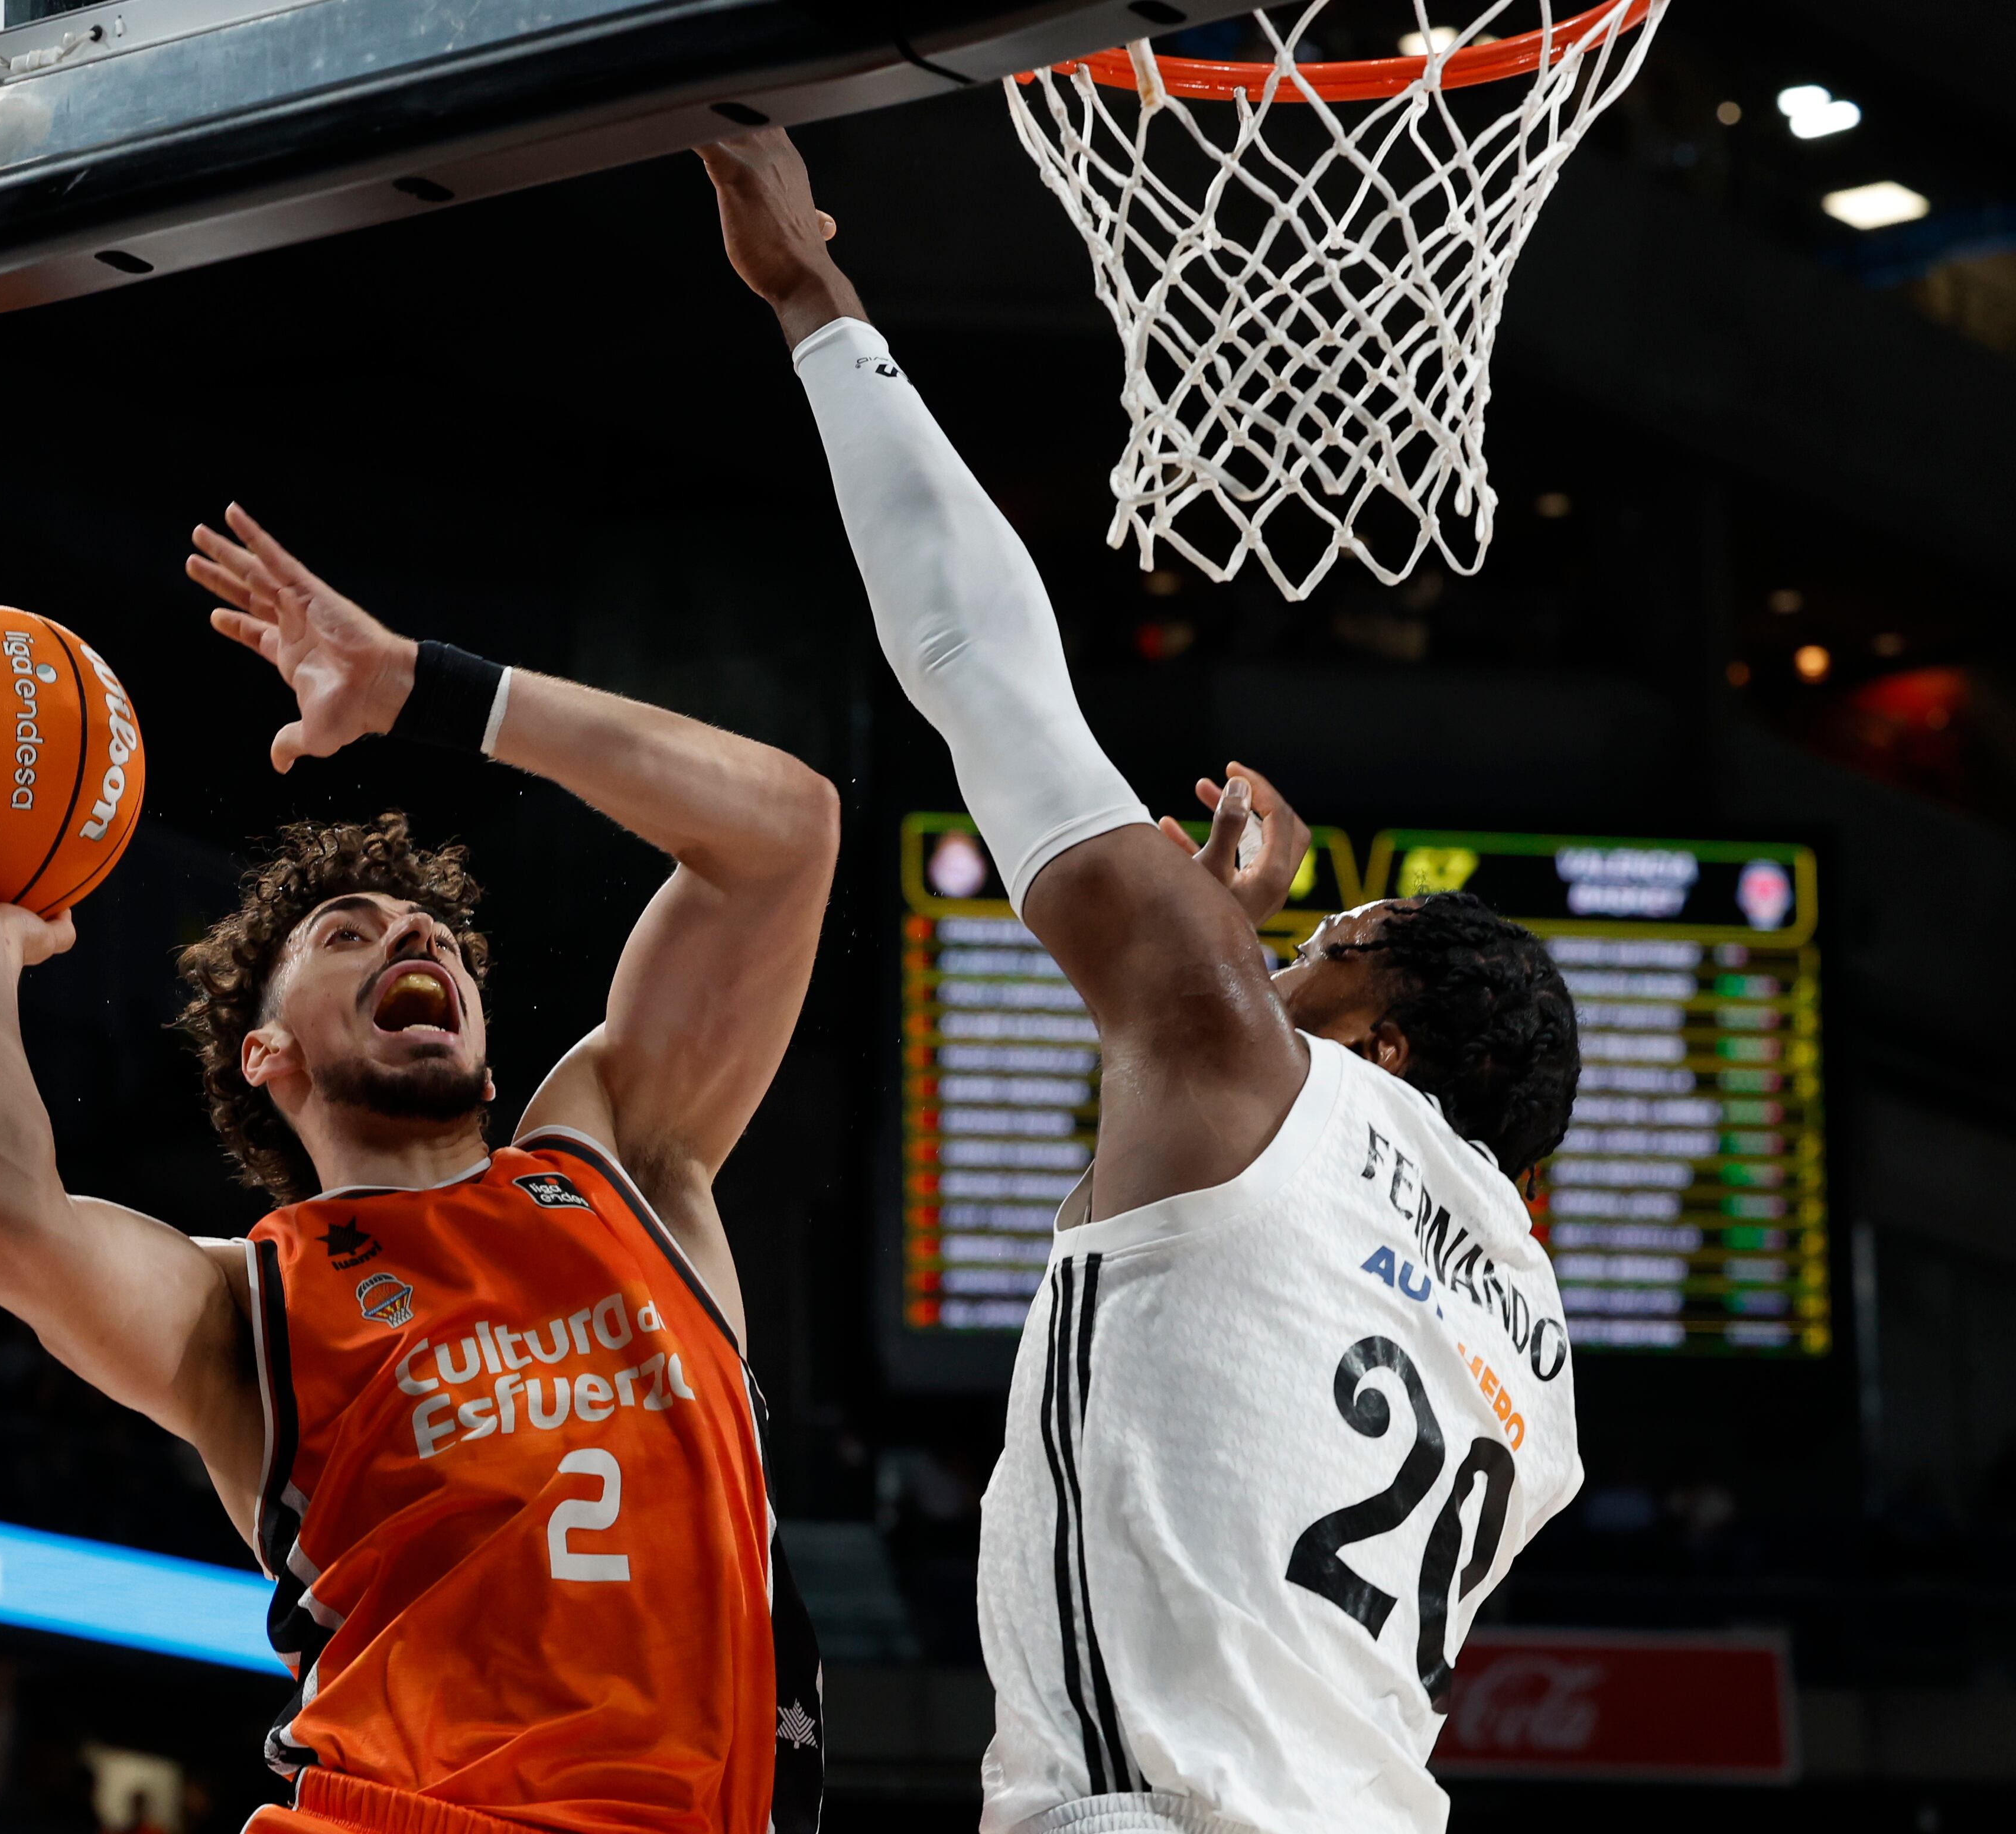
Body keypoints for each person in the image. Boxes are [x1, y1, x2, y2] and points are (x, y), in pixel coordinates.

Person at [698, 131, 1586, 1834]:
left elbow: (975, 657)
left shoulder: (1254, 1076)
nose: (1274, 959)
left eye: (1321, 949)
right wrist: (1232, 969)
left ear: (1387, 1041)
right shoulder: (1537, 1362)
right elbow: (1201, 1302)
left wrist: (814, 295)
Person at [0, 503, 840, 1834]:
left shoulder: (618, 1160)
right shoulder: (244, 1309)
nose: (414, 937)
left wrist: (426, 687)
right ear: (267, 1054)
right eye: (348, 934)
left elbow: (784, 835)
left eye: (436, 936)